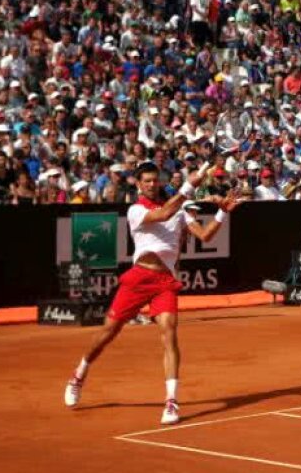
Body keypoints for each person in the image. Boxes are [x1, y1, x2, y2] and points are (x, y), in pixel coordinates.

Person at [63, 163, 238, 425]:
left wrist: (222, 214)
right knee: (108, 332)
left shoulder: (180, 210)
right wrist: (189, 186)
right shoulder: (136, 210)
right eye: (146, 181)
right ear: (138, 184)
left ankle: (171, 401)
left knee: (169, 331)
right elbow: (165, 213)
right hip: (138, 278)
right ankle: (79, 373)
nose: (151, 185)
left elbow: (205, 236)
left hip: (165, 281)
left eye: (155, 180)